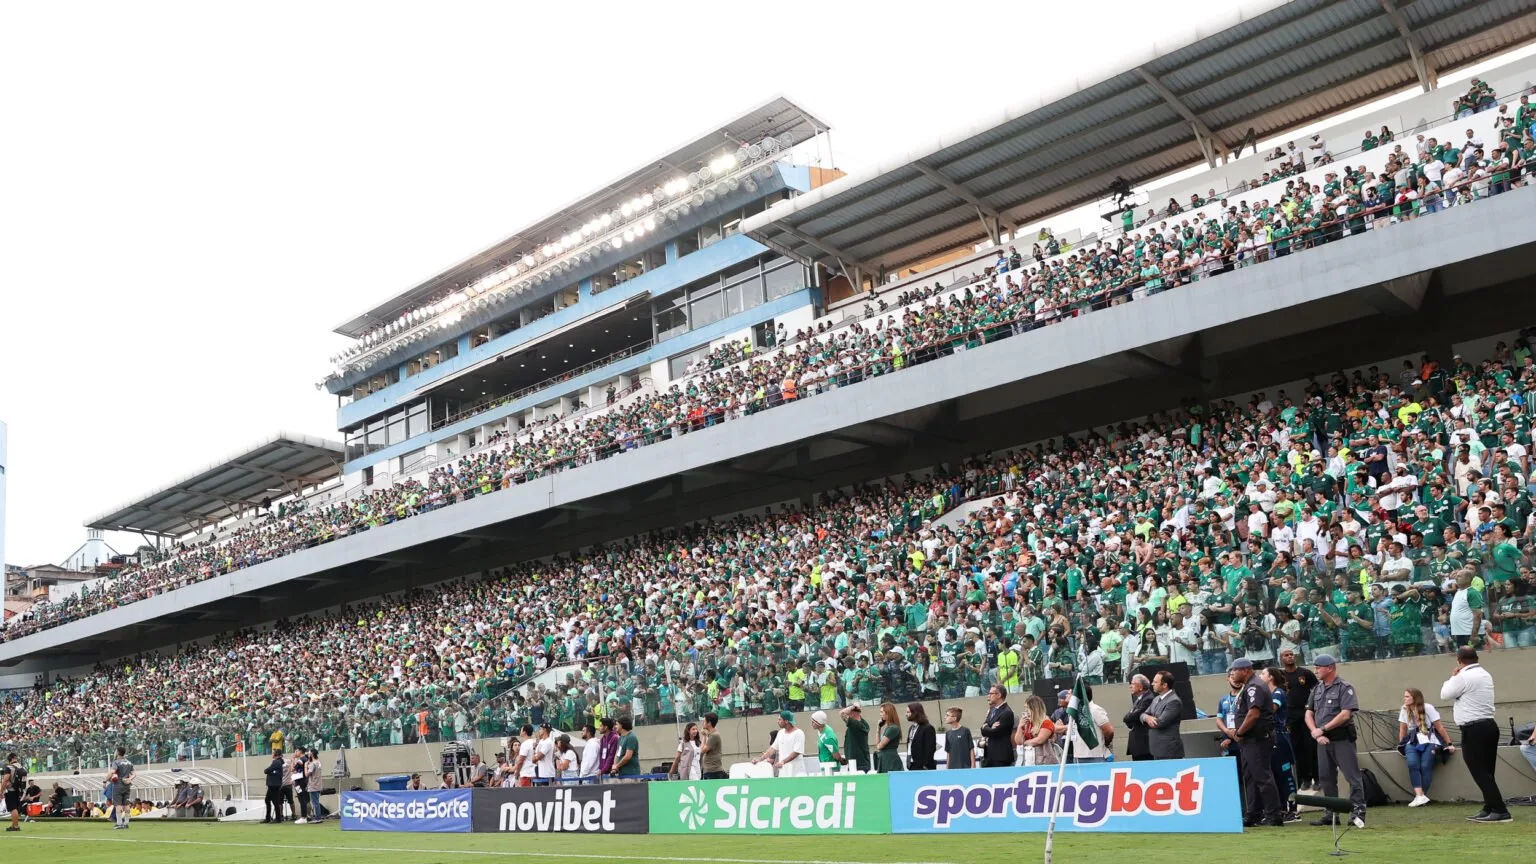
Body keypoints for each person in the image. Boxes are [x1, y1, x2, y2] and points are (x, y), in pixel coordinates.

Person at [1440, 646, 1510, 823]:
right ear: (1476, 658)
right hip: (1489, 726)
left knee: (1478, 771)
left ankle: (1500, 810)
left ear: (1459, 660)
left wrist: (1453, 676)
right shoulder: (1485, 674)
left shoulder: (1462, 677)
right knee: (1487, 771)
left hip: (1473, 729)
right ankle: (1489, 807)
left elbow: (1444, 694)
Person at [1304, 654, 1366, 829]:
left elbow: (1346, 714)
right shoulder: (1317, 689)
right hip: (1322, 740)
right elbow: (1309, 713)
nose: (1315, 670)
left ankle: (1357, 812)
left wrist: (1323, 729)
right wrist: (1316, 733)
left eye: (1319, 667)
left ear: (1330, 668)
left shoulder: (1344, 688)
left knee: (1352, 776)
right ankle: (1331, 813)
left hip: (1341, 738)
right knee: (1326, 777)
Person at [1229, 658, 1283, 827]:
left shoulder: (1254, 686)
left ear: (1245, 670)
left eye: (1235, 671)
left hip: (1257, 739)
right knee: (1251, 777)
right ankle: (1254, 814)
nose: (1232, 674)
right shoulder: (1249, 685)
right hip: (1249, 740)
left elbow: (1253, 714)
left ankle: (1274, 815)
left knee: (1262, 777)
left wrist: (1240, 732)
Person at [1398, 687, 1454, 806]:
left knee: (1425, 766)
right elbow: (1403, 728)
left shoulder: (1427, 708)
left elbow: (1439, 727)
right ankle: (1419, 796)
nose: (1405, 699)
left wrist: (1449, 744)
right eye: (1404, 696)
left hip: (1429, 738)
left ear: (1415, 697)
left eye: (1407, 696)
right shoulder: (1404, 710)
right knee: (1413, 764)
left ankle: (1421, 795)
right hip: (1412, 740)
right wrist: (1401, 745)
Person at [1280, 648, 1320, 791]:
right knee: (1297, 748)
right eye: (1286, 655)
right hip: (1290, 716)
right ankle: (1305, 779)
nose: (1290, 657)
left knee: (1311, 746)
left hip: (1306, 713)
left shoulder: (1305, 673)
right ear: (1281, 658)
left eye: (1291, 655)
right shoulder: (1280, 675)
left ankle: (1317, 778)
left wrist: (1313, 707)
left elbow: (1317, 690)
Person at [1141, 670, 1185, 759]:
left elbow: (1160, 722)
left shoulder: (1174, 701)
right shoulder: (1156, 699)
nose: (1152, 684)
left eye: (1156, 682)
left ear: (1165, 685)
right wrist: (1147, 718)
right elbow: (1142, 715)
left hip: (1169, 750)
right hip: (1156, 749)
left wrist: (1147, 718)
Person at [1015, 695, 1059, 766]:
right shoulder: (1027, 723)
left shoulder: (1046, 722)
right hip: (1028, 760)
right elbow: (1018, 741)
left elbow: (1040, 740)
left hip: (1044, 761)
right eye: (1025, 708)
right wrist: (1020, 727)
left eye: (1028, 708)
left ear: (1036, 709)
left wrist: (1025, 742)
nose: (1026, 710)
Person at [979, 685, 1015, 767]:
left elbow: (995, 732)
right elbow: (982, 729)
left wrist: (987, 727)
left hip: (1001, 757)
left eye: (991, 693)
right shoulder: (992, 710)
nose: (989, 696)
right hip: (989, 755)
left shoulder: (1007, 712)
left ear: (999, 695)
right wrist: (988, 727)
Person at [1123, 674, 1155, 761]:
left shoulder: (1148, 699)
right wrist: (1130, 716)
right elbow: (1128, 718)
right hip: (1137, 745)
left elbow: (1132, 716)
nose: (1130, 686)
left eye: (1132, 684)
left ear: (1140, 687)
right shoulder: (1139, 699)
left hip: (1144, 745)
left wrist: (1130, 716)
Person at [874, 702, 904, 773]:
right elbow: (878, 745)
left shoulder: (892, 728)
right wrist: (878, 728)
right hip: (885, 759)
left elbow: (879, 746)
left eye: (882, 712)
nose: (880, 714)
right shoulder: (889, 727)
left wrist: (878, 729)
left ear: (888, 713)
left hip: (890, 761)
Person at [840, 704, 871, 772]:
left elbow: (842, 713)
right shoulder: (860, 724)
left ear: (853, 713)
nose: (848, 715)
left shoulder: (856, 725)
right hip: (857, 764)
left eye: (849, 712)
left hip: (858, 765)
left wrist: (853, 706)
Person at [906, 703, 937, 770]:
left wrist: (925, 766)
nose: (906, 714)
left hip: (924, 768)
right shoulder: (911, 728)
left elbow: (930, 749)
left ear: (915, 712)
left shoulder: (928, 728)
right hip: (912, 765)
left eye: (908, 712)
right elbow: (910, 746)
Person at [1, 752, 24, 832]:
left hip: (11, 790)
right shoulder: (20, 766)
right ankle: (14, 824)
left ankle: (16, 826)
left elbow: (5, 780)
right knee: (15, 808)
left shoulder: (9, 767)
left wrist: (1, 791)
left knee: (12, 808)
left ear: (9, 759)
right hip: (18, 790)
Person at [699, 713, 726, 779]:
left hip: (713, 771)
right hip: (710, 770)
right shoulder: (711, 734)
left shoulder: (714, 735)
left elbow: (702, 750)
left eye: (704, 721)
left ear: (709, 723)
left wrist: (704, 736)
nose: (703, 722)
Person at [262, 748, 284, 824]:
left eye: (273, 753)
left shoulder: (276, 762)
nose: (272, 754)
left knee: (274, 801)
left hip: (273, 784)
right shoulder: (278, 762)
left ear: (275, 754)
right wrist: (272, 772)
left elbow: (267, 770)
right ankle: (269, 817)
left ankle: (277, 818)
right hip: (274, 784)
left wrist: (270, 772)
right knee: (269, 800)